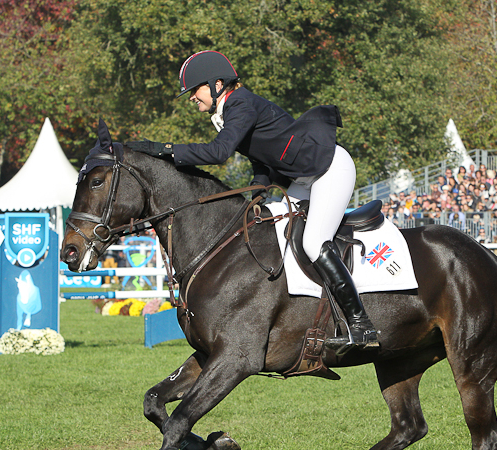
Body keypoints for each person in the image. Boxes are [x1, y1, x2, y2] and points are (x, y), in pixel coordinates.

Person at [126, 51, 377, 350]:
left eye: (195, 90)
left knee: (313, 241)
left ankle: (361, 325)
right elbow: (261, 156)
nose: (192, 98)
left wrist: (162, 149)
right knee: (275, 228)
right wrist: (259, 192)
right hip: (304, 178)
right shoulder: (231, 109)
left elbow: (219, 154)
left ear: (217, 84)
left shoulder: (241, 103)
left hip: (329, 168)